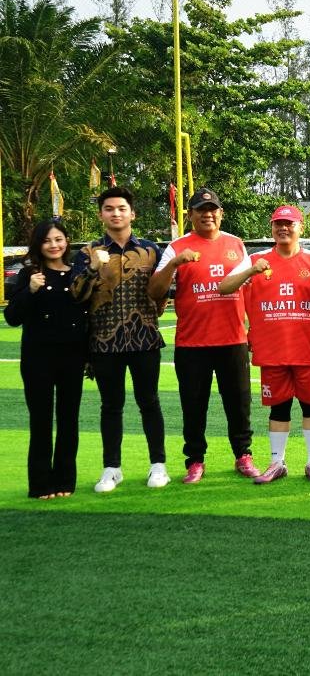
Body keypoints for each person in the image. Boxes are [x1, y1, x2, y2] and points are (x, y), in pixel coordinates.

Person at [219, 205, 310, 484]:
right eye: (278, 224)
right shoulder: (257, 259)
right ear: (272, 227)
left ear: (300, 227)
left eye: (289, 223)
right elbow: (224, 287)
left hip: (308, 349)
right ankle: (277, 462)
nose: (283, 228)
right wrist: (250, 272)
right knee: (279, 407)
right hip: (271, 349)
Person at [148, 188, 259, 483]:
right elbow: (155, 292)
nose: (207, 214)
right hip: (192, 343)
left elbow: (246, 288)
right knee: (193, 405)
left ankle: (243, 455)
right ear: (191, 215)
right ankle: (195, 460)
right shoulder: (176, 248)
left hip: (232, 339)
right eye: (201, 209)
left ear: (221, 214)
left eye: (212, 209)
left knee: (239, 403)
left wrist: (252, 330)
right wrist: (174, 264)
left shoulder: (236, 244)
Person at [72, 186, 169, 492]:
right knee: (110, 406)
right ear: (101, 214)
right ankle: (112, 468)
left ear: (132, 213)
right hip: (104, 340)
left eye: (122, 208)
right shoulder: (87, 252)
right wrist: (92, 269)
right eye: (110, 209)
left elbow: (163, 292)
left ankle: (158, 465)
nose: (116, 213)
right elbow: (76, 295)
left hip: (144, 338)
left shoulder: (152, 250)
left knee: (149, 402)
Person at [4, 220, 88, 498]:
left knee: (68, 421)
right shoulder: (30, 274)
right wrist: (30, 290)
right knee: (40, 421)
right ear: (38, 244)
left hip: (72, 357)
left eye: (59, 239)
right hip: (38, 359)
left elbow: (86, 315)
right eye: (47, 240)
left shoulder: (76, 273)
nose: (54, 245)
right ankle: (40, 484)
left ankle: (65, 481)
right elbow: (12, 317)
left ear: (67, 241)